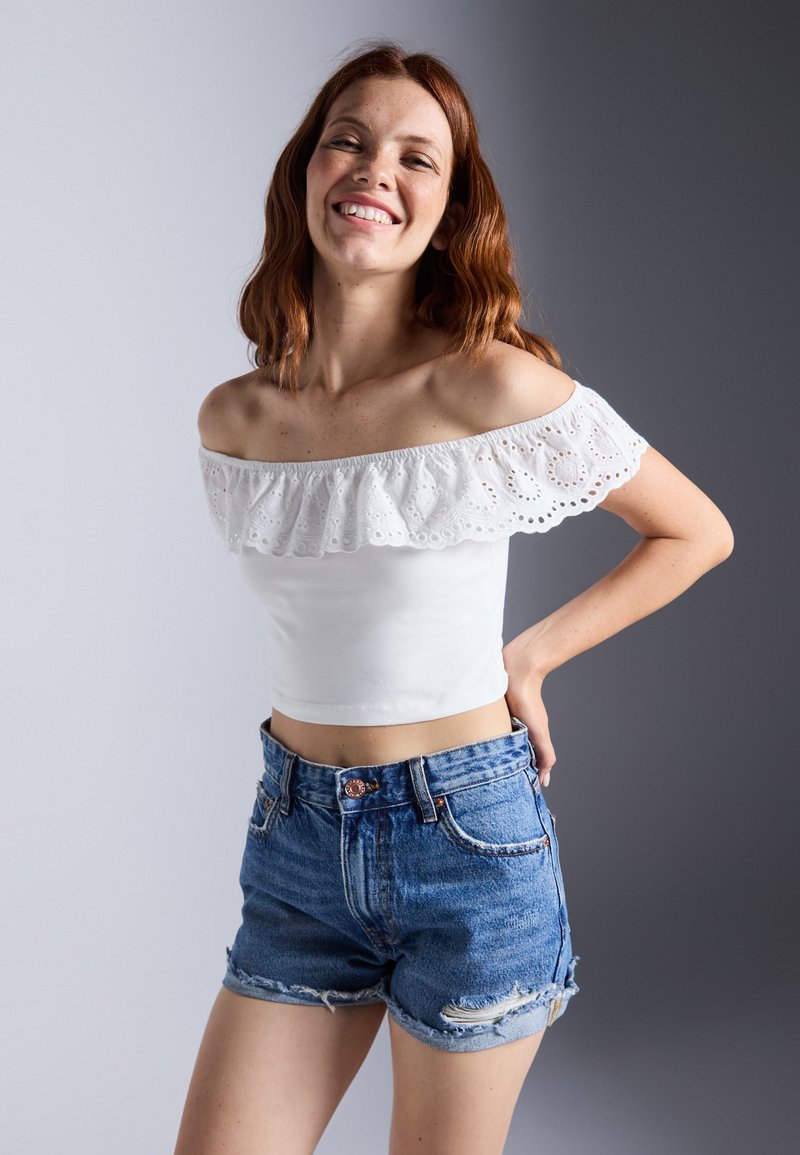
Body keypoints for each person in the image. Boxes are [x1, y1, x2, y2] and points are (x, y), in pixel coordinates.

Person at [175, 40, 734, 1155]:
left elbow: (696, 532)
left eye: (415, 157)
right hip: (296, 840)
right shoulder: (233, 420)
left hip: (465, 842)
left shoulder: (489, 382)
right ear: (305, 173)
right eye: (347, 140)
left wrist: (529, 656)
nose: (374, 169)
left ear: (446, 209)